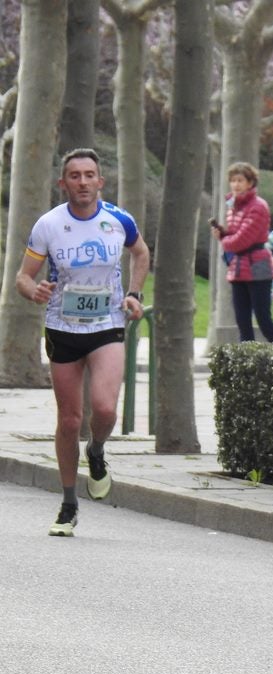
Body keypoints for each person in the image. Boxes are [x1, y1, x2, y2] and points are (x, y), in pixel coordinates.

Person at [14, 147, 150, 537]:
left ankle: (97, 450)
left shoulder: (118, 220)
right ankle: (69, 502)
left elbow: (140, 253)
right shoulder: (49, 225)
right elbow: (24, 276)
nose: (83, 182)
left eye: (90, 175)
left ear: (100, 182)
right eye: (75, 176)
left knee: (104, 410)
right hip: (62, 328)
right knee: (70, 420)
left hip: (107, 324)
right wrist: (33, 290)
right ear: (63, 183)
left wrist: (134, 294)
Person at [210, 162, 273, 343]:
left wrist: (224, 241)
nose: (235, 184)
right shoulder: (233, 206)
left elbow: (242, 239)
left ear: (250, 183)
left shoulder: (258, 206)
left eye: (240, 180)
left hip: (258, 265)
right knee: (242, 319)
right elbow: (235, 236)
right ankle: (246, 358)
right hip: (239, 266)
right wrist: (224, 234)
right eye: (233, 180)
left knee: (263, 318)